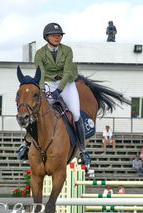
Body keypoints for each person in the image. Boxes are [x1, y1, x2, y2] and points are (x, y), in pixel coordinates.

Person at [17, 23, 90, 166]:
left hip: (66, 83)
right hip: (48, 83)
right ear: (46, 37)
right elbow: (41, 73)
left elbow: (68, 71)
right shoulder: (39, 53)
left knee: (75, 114)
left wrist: (59, 90)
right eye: (54, 35)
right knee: (38, 113)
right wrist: (43, 89)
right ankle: (25, 143)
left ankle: (82, 149)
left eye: (59, 35)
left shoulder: (67, 50)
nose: (57, 37)